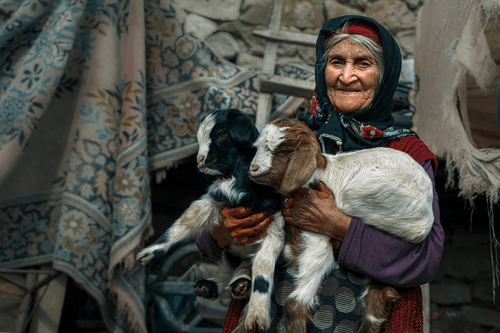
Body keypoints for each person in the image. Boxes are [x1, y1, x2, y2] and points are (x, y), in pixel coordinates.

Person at [196, 15, 445, 333]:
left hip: (371, 320)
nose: (346, 75)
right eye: (336, 61)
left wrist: (337, 225)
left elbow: (424, 260)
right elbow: (209, 235)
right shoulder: (289, 139)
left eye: (363, 63)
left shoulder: (407, 153)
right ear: (321, 68)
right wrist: (221, 230)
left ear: (384, 75)